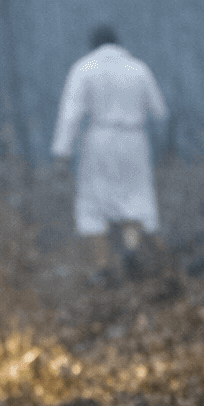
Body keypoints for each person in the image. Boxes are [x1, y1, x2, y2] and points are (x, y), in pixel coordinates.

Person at [50, 24, 169, 283]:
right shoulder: (139, 68)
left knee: (93, 204)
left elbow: (70, 114)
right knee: (135, 197)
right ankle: (131, 250)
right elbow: (159, 110)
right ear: (118, 42)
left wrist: (62, 153)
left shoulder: (84, 68)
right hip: (134, 138)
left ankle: (102, 268)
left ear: (93, 44)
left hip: (99, 138)